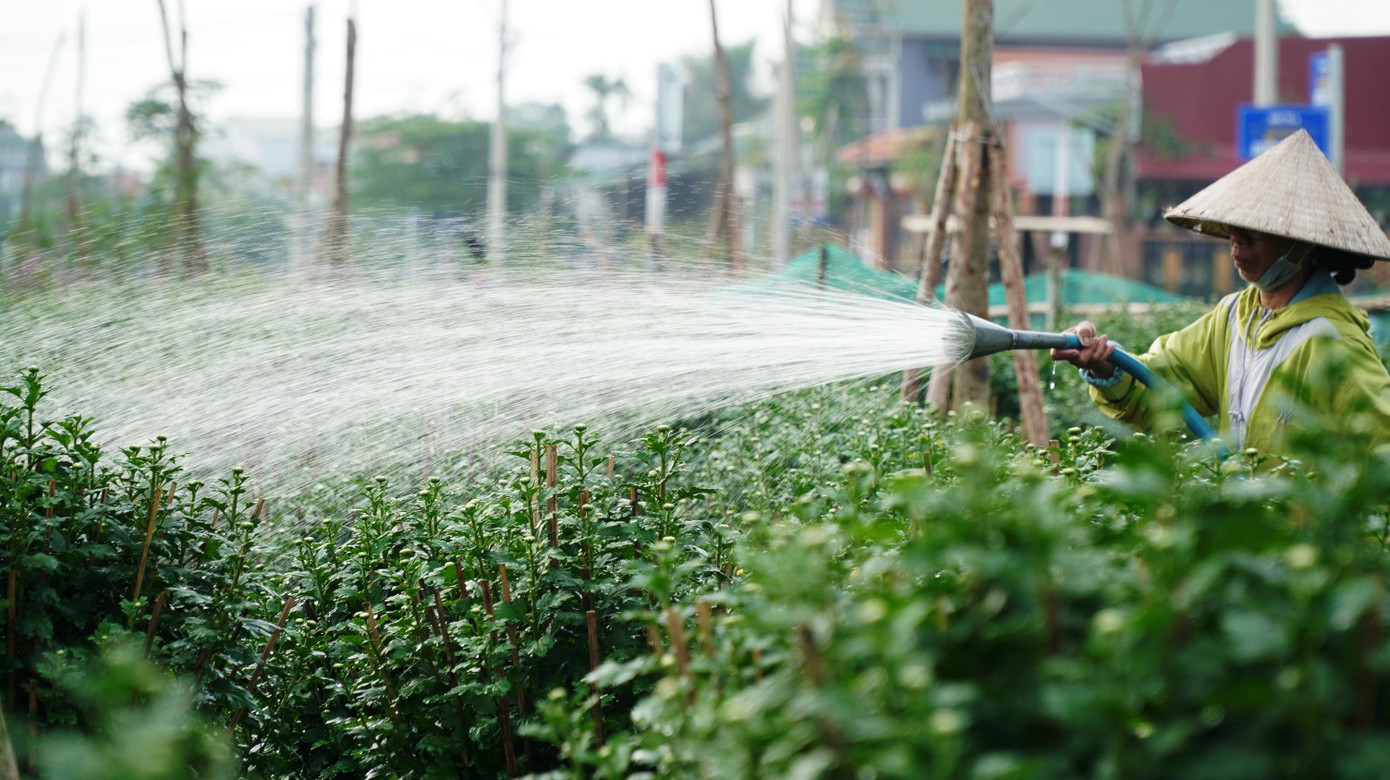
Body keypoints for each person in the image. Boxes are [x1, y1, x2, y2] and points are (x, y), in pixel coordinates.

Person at [1051, 130, 1390, 455]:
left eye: (1257, 231)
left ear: (1302, 243)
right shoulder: (1234, 318)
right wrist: (1103, 364)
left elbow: (1380, 452)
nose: (1237, 241)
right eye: (1234, 228)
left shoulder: (1334, 339)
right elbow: (1158, 387)